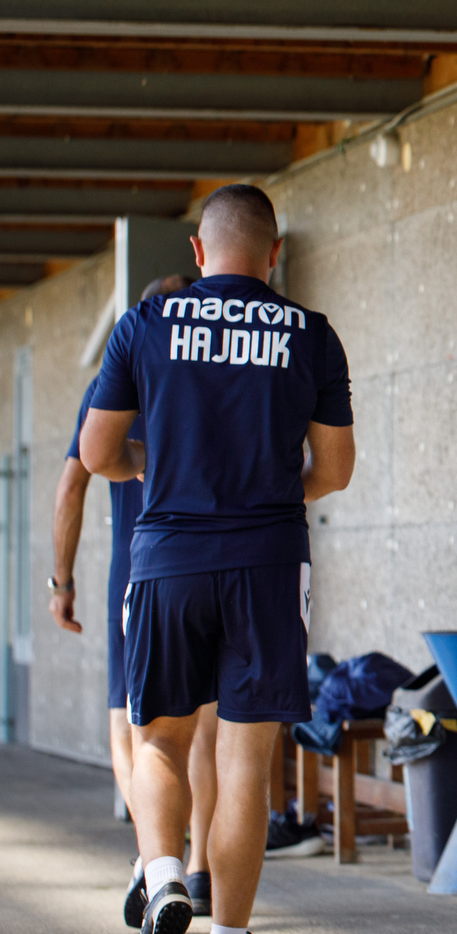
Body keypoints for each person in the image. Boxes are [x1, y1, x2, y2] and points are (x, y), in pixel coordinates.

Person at [79, 183, 356, 934]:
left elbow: (97, 452)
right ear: (273, 253)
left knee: (161, 739)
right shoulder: (312, 333)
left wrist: (155, 464)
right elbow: (334, 470)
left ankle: (164, 872)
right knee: (242, 757)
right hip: (268, 561)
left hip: (169, 555)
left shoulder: (145, 324)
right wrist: (270, 485)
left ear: (198, 254)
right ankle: (229, 927)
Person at [48, 274, 221, 926]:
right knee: (202, 729)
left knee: (133, 731)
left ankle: (157, 861)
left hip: (142, 571)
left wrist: (61, 582)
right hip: (220, 564)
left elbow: (72, 487)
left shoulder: (119, 376)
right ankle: (196, 865)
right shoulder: (215, 373)